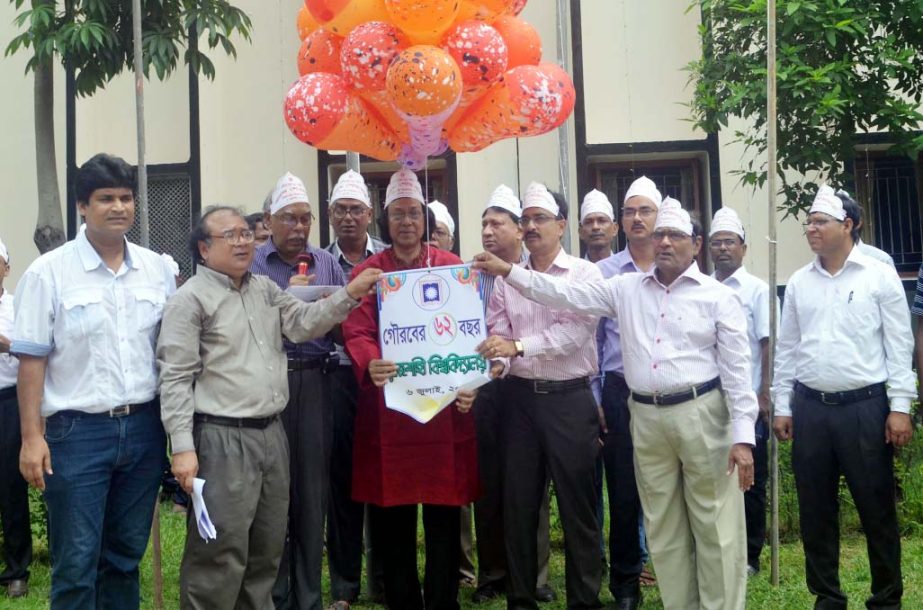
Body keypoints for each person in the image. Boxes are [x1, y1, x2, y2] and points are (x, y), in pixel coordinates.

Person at [474, 197, 759, 610]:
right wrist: (509, 272)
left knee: (715, 524)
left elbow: (736, 371)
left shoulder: (717, 296)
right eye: (659, 233)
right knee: (663, 528)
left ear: (696, 244)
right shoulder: (624, 289)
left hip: (701, 414)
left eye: (675, 235)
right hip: (645, 415)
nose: (663, 242)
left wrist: (743, 436)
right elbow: (561, 293)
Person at [158, 205, 380, 610]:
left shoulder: (264, 290)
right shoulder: (189, 300)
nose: (243, 241)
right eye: (231, 236)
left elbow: (304, 322)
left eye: (246, 233)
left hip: (272, 435)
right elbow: (174, 378)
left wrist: (350, 293)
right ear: (204, 250)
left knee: (266, 548)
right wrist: (183, 446)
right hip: (222, 438)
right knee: (219, 552)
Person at [12, 153, 176, 609]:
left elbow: (171, 351)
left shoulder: (157, 270)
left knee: (124, 557)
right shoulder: (49, 273)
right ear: (83, 206)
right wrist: (31, 437)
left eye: (126, 198)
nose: (119, 207)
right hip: (76, 433)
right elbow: (31, 361)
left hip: (144, 429)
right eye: (106, 199)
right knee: (77, 562)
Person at [772, 185, 915, 610]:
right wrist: (783, 405)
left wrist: (900, 408)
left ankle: (886, 598)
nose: (811, 229)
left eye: (821, 222)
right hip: (811, 408)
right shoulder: (799, 282)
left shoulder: (878, 275)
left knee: (876, 509)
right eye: (809, 223)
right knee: (816, 510)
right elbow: (788, 349)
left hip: (865, 409)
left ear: (847, 226)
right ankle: (828, 597)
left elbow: (899, 344)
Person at [342, 168, 479, 610]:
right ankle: (402, 602)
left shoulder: (451, 269)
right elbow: (357, 329)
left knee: (444, 516)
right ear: (385, 221)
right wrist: (370, 360)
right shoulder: (369, 272)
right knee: (391, 520)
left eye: (413, 214)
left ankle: (443, 602)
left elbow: (470, 333)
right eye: (397, 214)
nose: (406, 222)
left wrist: (471, 381)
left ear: (425, 219)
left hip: (443, 411)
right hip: (390, 413)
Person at [478, 182, 604, 610]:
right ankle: (521, 599)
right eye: (526, 219)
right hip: (519, 402)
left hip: (569, 400)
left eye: (540, 219)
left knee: (578, 510)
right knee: (519, 507)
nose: (531, 227)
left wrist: (517, 348)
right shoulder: (506, 277)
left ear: (562, 226)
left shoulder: (586, 274)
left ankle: (583, 601)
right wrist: (498, 360)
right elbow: (500, 331)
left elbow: (576, 332)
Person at [250, 172, 347, 610]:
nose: (298, 228)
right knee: (273, 492)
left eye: (305, 219)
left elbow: (343, 322)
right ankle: (275, 593)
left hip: (316, 379)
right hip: (269, 381)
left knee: (311, 492)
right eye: (289, 219)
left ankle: (309, 595)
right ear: (269, 220)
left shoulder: (326, 262)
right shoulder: (253, 262)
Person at [471, 185, 555, 605]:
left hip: (524, 387)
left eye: (497, 223)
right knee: (487, 482)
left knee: (530, 487)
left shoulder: (529, 276)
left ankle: (534, 574)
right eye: (484, 223)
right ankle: (492, 574)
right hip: (482, 389)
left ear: (518, 231)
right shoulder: (467, 274)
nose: (488, 231)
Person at [592, 176, 662, 609]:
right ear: (622, 222)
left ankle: (673, 575)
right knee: (622, 492)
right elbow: (593, 340)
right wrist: (597, 396)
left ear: (659, 216)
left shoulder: (675, 264)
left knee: (669, 490)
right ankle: (625, 586)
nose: (637, 218)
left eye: (645, 211)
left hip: (669, 393)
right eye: (630, 211)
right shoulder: (604, 273)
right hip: (619, 392)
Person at [324, 169, 387, 606]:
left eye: (356, 211)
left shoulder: (388, 259)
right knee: (342, 482)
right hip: (336, 381)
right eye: (340, 210)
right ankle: (345, 585)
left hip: (385, 381)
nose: (348, 218)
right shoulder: (320, 262)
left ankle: (384, 579)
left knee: (383, 479)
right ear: (330, 215)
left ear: (370, 215)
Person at [708, 207, 776, 577]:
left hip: (748, 400)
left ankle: (750, 556)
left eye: (729, 242)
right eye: (716, 243)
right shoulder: (701, 286)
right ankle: (720, 550)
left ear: (743, 248)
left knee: (751, 479)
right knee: (716, 477)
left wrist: (764, 395)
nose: (722, 249)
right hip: (708, 401)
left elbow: (768, 345)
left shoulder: (757, 291)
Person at [0, 238, 30, 600]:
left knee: (10, 487)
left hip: (7, 402)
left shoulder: (18, 306)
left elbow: (32, 351)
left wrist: (6, 344)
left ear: (6, 268)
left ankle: (17, 570)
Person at [579, 189, 619, 263]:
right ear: (581, 232)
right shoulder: (574, 272)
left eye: (602, 221)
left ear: (614, 229)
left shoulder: (625, 271)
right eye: (589, 222)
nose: (595, 227)